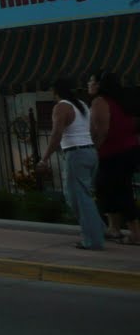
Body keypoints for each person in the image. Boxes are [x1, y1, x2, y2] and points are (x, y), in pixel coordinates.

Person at [40, 76, 103, 250]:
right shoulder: (82, 105)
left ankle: (93, 240)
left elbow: (56, 134)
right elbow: (93, 130)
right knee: (83, 196)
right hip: (90, 151)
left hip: (76, 154)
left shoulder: (61, 107)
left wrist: (44, 158)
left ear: (55, 91)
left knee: (78, 198)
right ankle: (97, 229)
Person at [90, 72, 140, 245]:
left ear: (99, 85)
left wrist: (93, 150)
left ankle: (134, 233)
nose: (89, 84)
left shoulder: (100, 102)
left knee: (118, 191)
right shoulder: (123, 100)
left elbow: (102, 131)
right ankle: (114, 228)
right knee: (109, 188)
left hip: (112, 152)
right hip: (130, 149)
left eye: (91, 80)